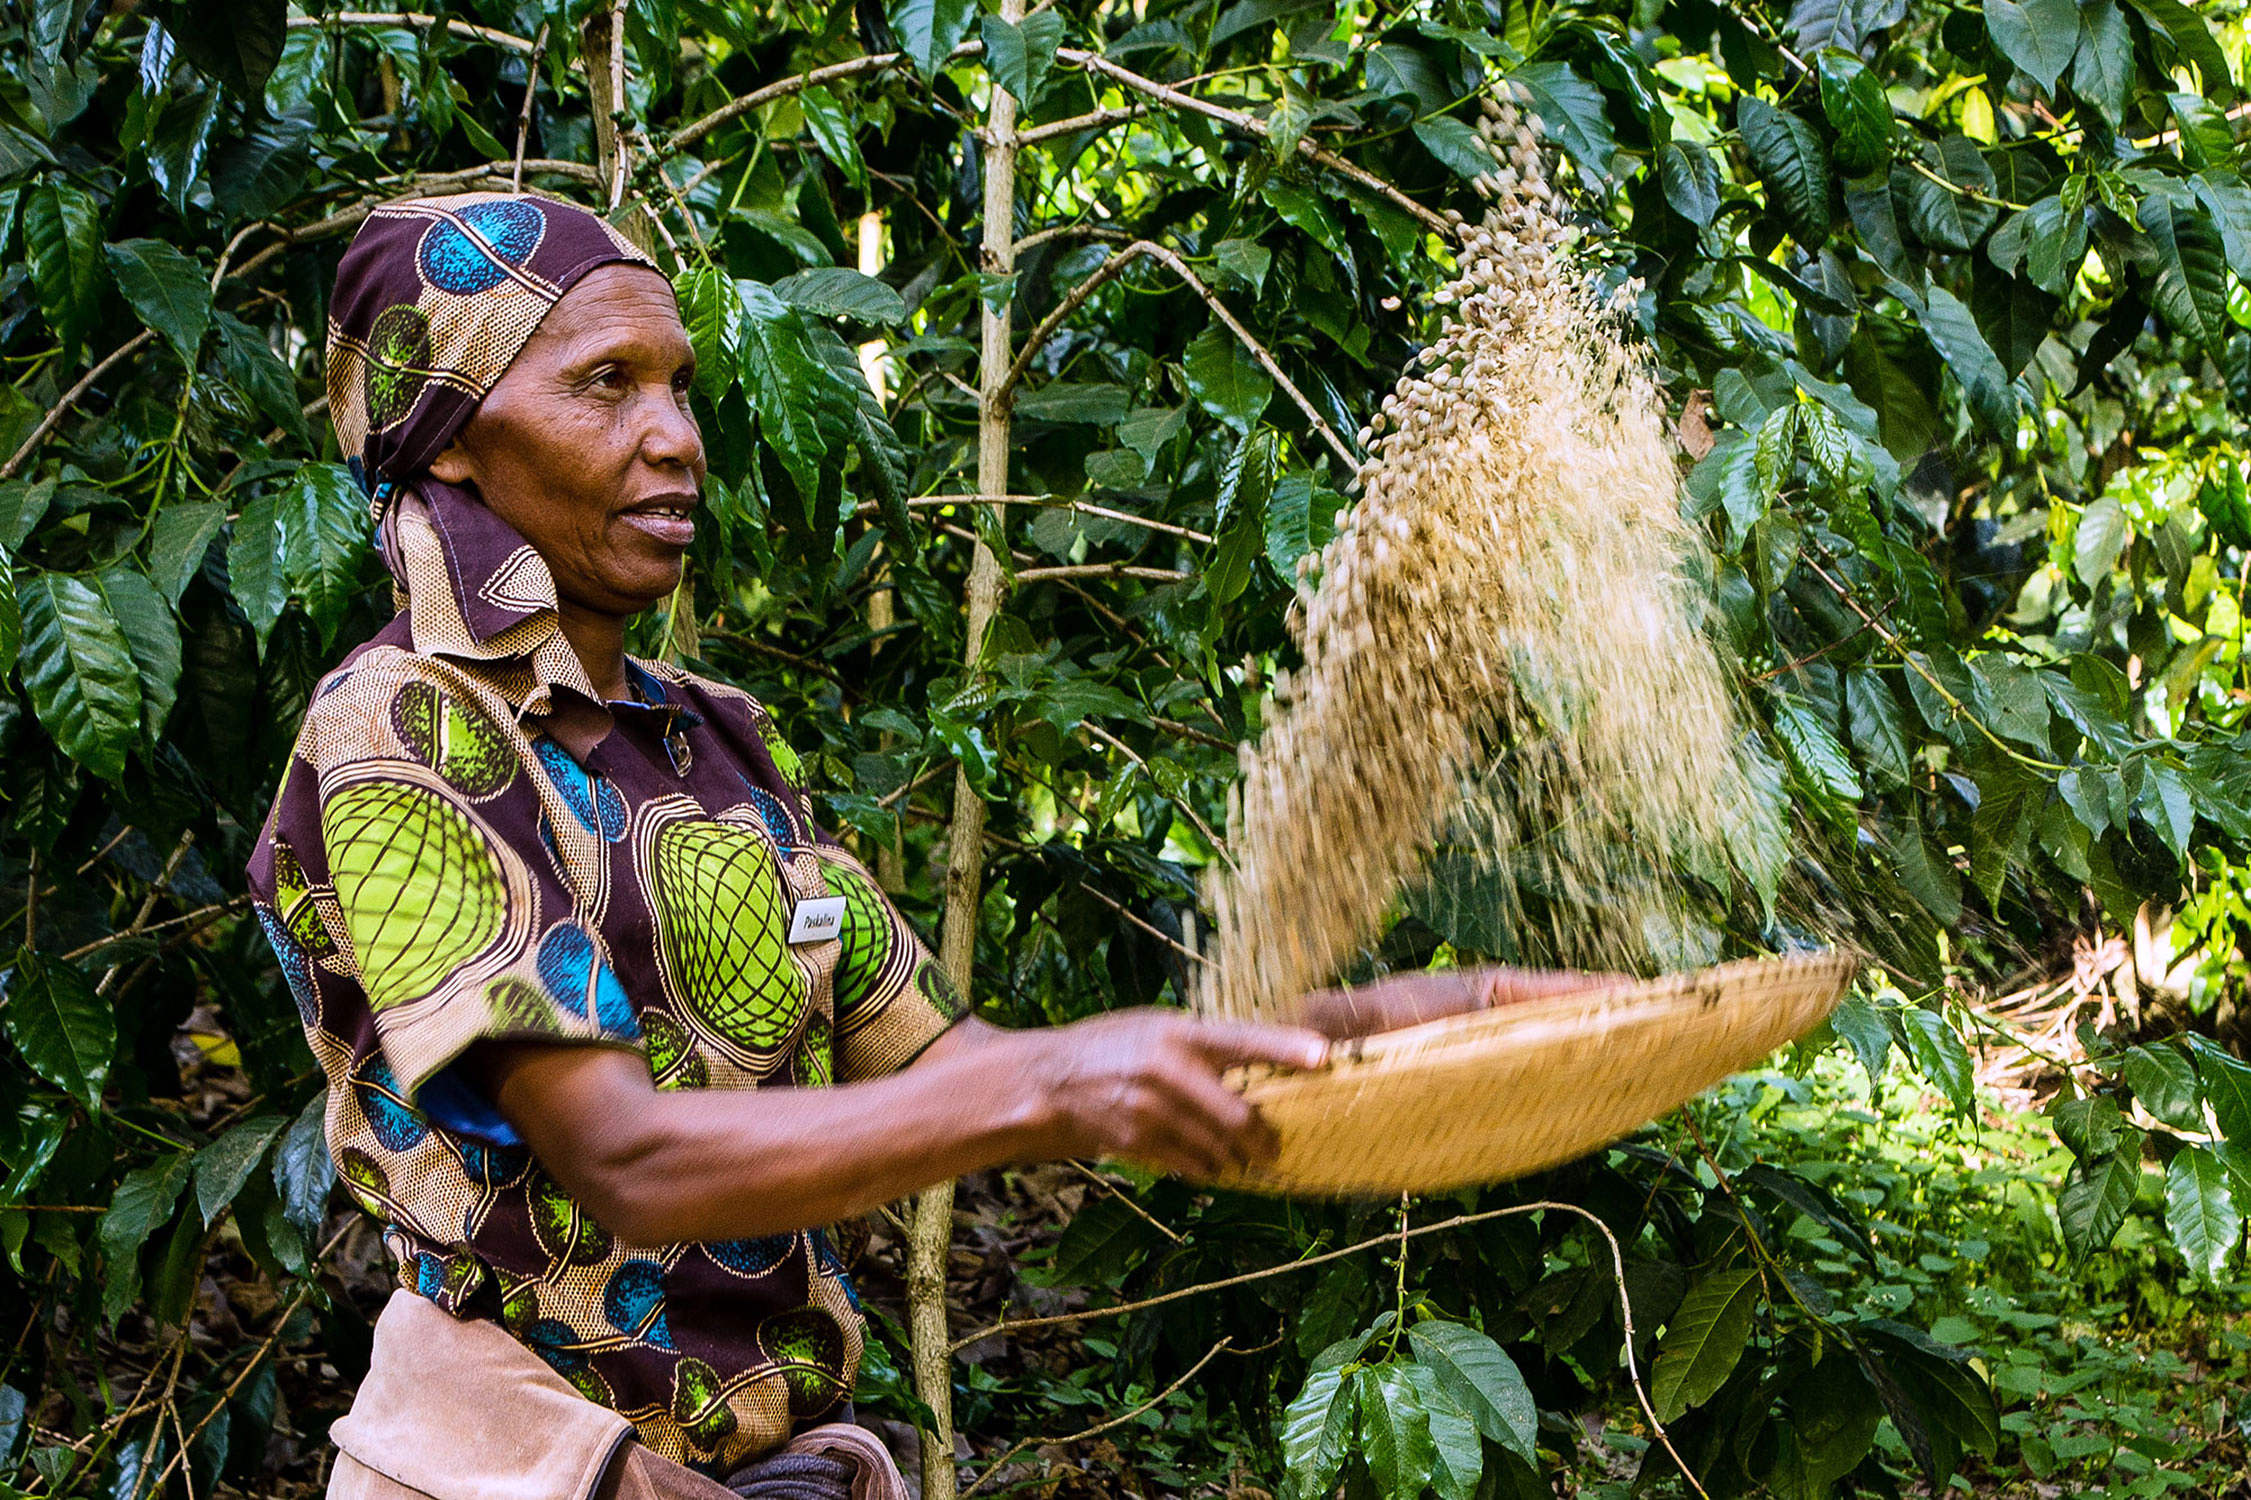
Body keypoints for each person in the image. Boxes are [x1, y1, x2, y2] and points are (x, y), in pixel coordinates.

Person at [247, 191, 1594, 1500]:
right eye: (606, 385)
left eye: (679, 386)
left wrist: (1377, 1031)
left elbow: (967, 1072)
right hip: (511, 1469)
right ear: (455, 439)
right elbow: (628, 1161)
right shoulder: (396, 729)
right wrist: (1066, 1086)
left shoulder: (717, 741)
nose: (675, 439)